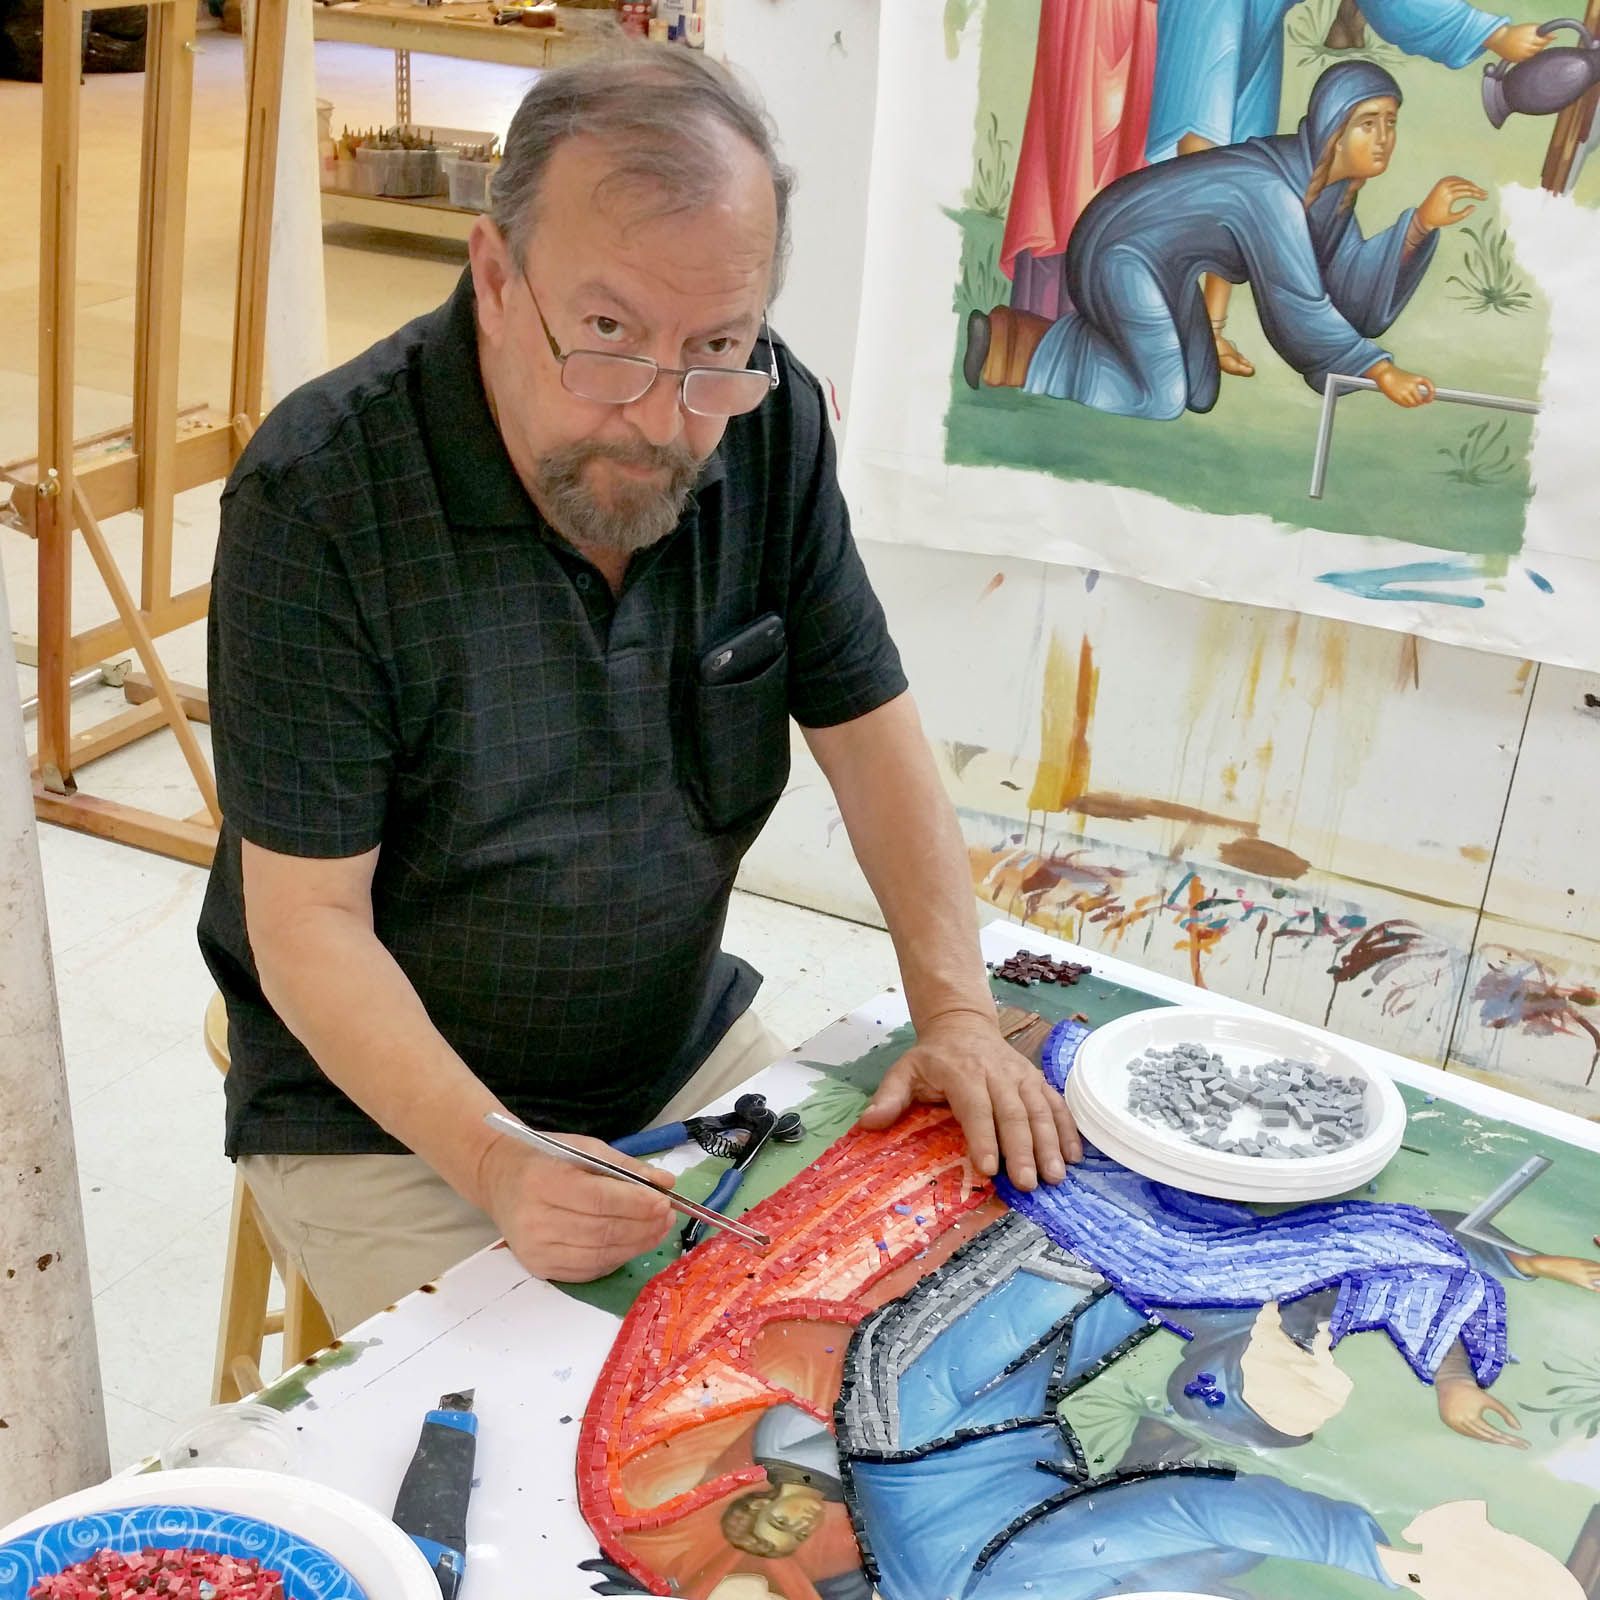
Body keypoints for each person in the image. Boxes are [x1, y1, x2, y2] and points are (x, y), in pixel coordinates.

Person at [198, 50, 1079, 1336]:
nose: (662, 424)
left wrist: (955, 1013)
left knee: (899, 1317)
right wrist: (495, 1154)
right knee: (579, 1429)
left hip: (671, 1048)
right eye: (607, 338)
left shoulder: (766, 420)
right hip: (384, 1113)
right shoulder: (321, 499)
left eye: (713, 347)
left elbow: (869, 730)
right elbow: (307, 924)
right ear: (495, 279)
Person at [964, 61, 1480, 420]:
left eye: (1390, 122)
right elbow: (1299, 304)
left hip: (1164, 267)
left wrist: (1419, 226)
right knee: (1162, 397)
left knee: (1200, 390)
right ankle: (1020, 354)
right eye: (1367, 124)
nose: (1384, 138)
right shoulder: (1274, 193)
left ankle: (1034, 338)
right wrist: (1381, 371)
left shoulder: (1326, 194)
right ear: (1332, 131)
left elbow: (1347, 289)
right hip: (1116, 251)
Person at [1145, 0, 1550, 375]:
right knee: (1211, 159)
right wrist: (1490, 35)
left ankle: (1210, 330)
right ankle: (1179, 330)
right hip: (1210, 13)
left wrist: (1418, 227)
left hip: (1254, 18)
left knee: (1239, 158)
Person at [999, 0, 1160, 320]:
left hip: (1133, 21)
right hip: (1088, 20)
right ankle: (1049, 322)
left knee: (1119, 149)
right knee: (1069, 145)